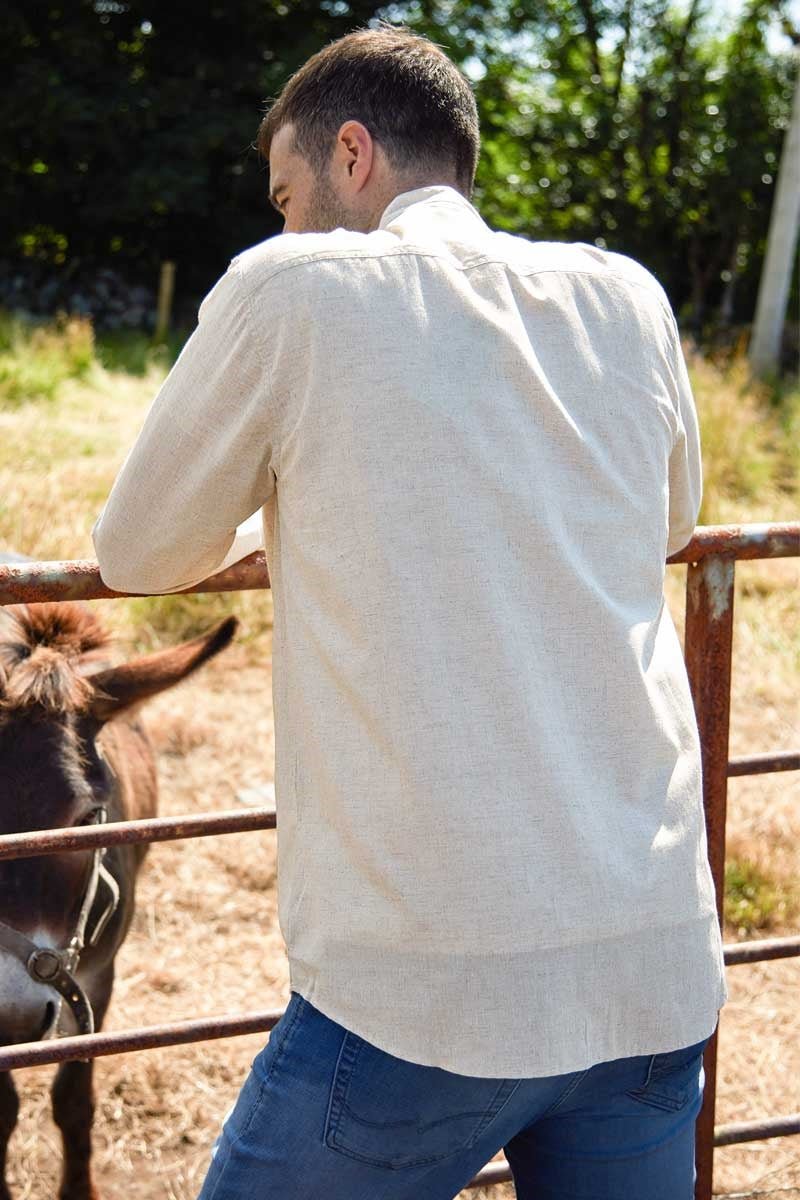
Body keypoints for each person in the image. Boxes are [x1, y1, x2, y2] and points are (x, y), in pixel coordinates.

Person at [92, 24, 727, 1200]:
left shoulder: (291, 289)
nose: (282, 225)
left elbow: (134, 551)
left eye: (285, 195)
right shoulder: (625, 296)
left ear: (351, 155)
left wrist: (274, 512)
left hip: (425, 994)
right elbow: (670, 521)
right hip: (649, 967)